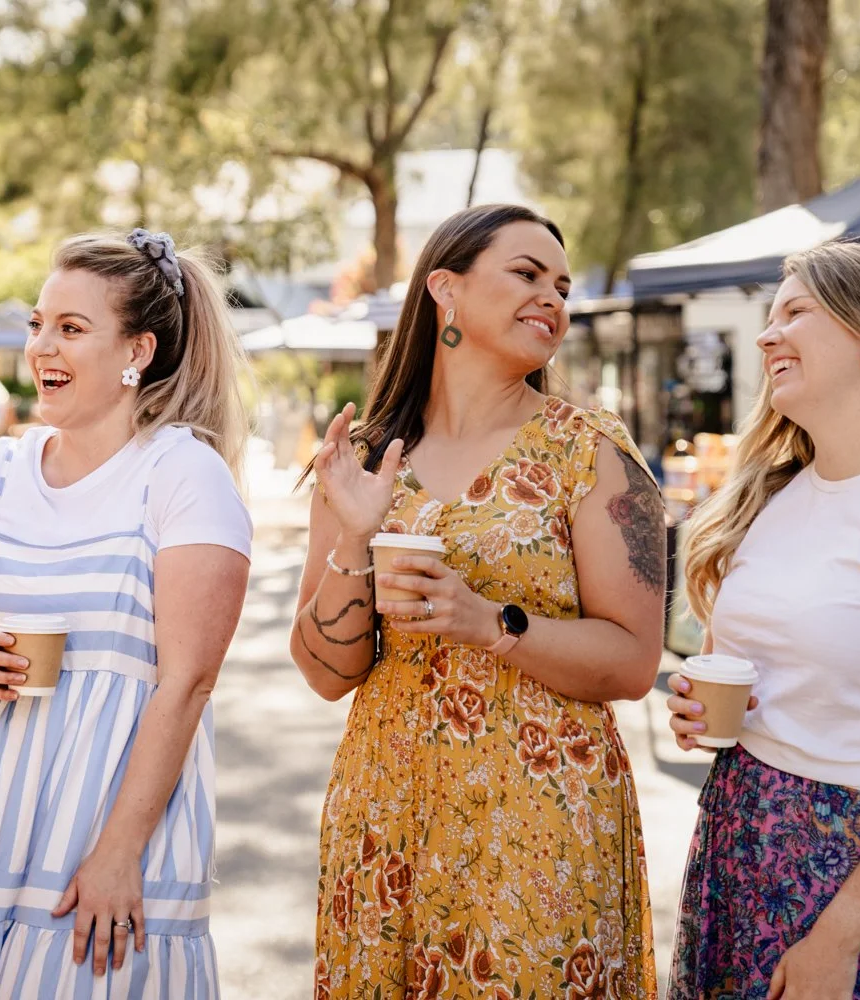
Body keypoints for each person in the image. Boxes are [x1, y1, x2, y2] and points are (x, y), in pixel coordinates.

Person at [292, 204, 665, 998]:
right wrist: (353, 539)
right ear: (445, 291)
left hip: (541, 816)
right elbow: (327, 674)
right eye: (528, 275)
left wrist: (486, 622)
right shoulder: (362, 460)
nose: (553, 300)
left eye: (562, 286)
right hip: (389, 807)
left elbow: (634, 661)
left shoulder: (591, 451)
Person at [0, 229, 252, 998]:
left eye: (72, 328)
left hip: (115, 823)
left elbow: (186, 683)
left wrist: (120, 852)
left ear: (138, 351)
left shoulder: (183, 474)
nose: (43, 347)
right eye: (38, 324)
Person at [666, 242, 860, 1000]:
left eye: (794, 312)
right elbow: (744, 680)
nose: (769, 335)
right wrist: (696, 713)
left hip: (858, 879)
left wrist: (841, 934)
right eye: (770, 319)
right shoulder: (768, 499)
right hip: (737, 839)